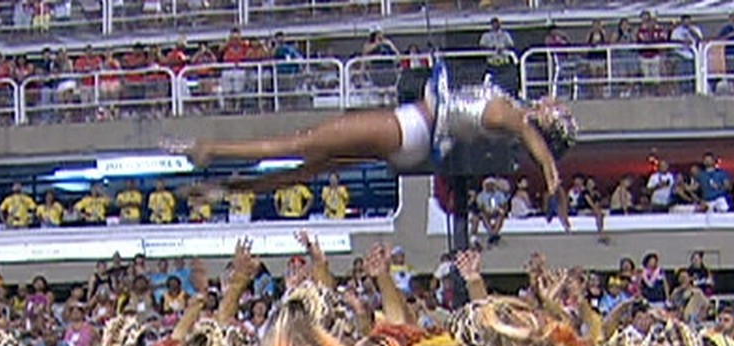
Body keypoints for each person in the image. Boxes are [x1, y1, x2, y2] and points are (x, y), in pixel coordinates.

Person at [182, 61, 575, 199]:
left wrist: (548, 169)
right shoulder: (510, 114)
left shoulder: (512, 116)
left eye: (558, 112)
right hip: (414, 140)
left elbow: (529, 135)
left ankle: (212, 149)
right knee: (308, 170)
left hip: (410, 128)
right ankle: (227, 189)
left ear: (546, 123)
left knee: (302, 143)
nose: (554, 103)